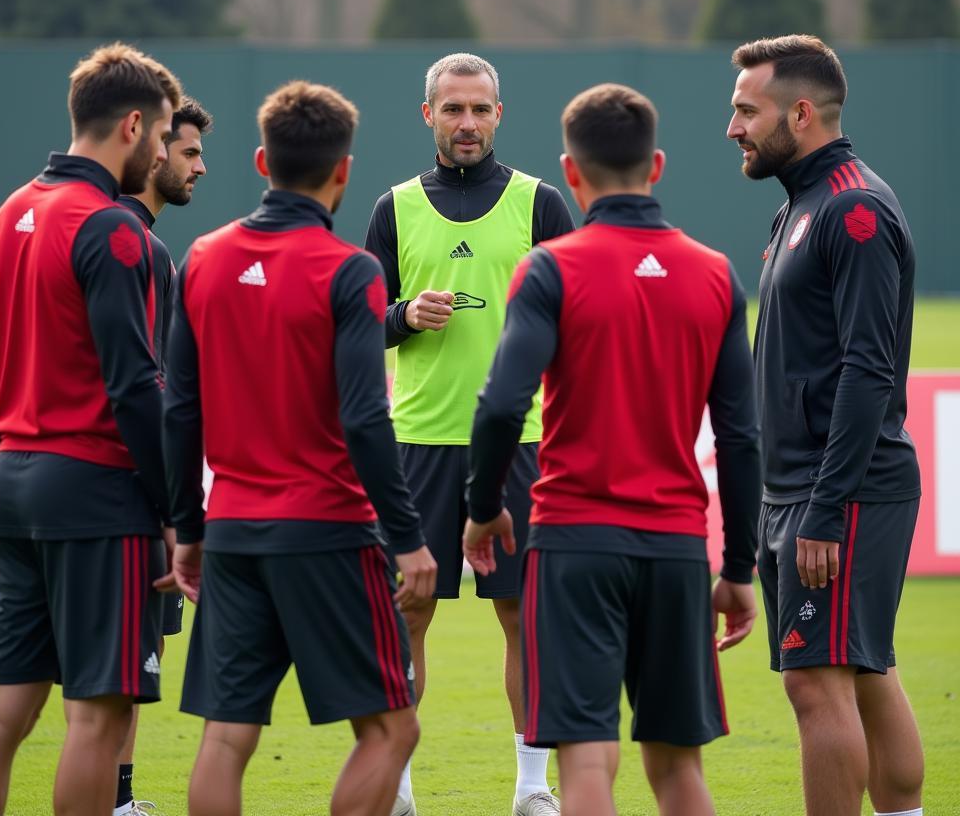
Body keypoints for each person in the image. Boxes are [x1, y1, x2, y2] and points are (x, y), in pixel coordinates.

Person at [464, 83, 762, 816]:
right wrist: (741, 568)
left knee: (588, 761)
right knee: (679, 769)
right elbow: (743, 436)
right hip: (675, 548)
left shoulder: (550, 269)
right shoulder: (715, 273)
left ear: (571, 171)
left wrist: (481, 509)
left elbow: (502, 403)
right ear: (655, 165)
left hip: (573, 545)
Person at [163, 79, 437, 816]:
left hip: (232, 531)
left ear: (261, 160)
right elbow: (363, 416)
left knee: (226, 736)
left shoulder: (205, 258)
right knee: (390, 729)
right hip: (328, 534)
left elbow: (178, 409)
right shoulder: (350, 270)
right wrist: (409, 540)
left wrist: (187, 528)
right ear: (343, 169)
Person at [0, 43, 181, 816]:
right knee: (98, 714)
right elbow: (136, 387)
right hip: (96, 494)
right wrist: (179, 510)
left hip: (16, 482)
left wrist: (7, 474)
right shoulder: (112, 231)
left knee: (2, 712)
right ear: (131, 126)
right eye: (159, 137)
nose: (159, 154)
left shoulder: (7, 213)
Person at [364, 52, 574, 816]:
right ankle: (400, 789)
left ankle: (531, 789)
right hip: (418, 439)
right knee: (405, 612)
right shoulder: (392, 208)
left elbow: (577, 323)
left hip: (522, 444)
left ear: (499, 115)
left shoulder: (540, 203)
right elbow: (358, 328)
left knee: (523, 616)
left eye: (480, 110)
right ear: (428, 115)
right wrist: (401, 316)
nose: (466, 123)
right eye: (453, 109)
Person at [726, 35, 924, 816]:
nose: (733, 128)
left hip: (838, 491)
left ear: (801, 113)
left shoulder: (855, 208)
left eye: (747, 110)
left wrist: (825, 509)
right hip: (799, 489)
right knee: (865, 671)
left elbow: (868, 370)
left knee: (818, 682)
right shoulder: (800, 209)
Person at [113, 95, 212, 816]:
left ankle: (120, 797)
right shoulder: (135, 248)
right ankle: (114, 802)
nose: (199, 167)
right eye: (187, 153)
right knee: (116, 675)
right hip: (121, 492)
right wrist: (179, 512)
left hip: (34, 480)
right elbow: (148, 392)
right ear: (151, 150)